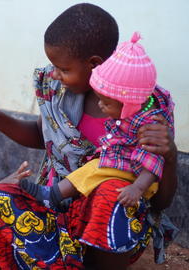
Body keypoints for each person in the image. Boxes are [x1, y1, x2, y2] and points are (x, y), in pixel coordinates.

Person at [0, 3, 178, 270]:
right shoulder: (58, 90)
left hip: (111, 230)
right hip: (55, 210)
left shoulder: (145, 106)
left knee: (110, 191)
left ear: (94, 64)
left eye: (63, 68)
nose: (55, 73)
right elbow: (42, 135)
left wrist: (170, 155)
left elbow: (161, 200)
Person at [19, 32, 174, 210]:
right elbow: (41, 135)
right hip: (114, 171)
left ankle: (53, 196)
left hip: (134, 184)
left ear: (128, 104)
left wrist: (137, 188)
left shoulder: (151, 125)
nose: (101, 105)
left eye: (106, 102)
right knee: (93, 168)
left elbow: (153, 165)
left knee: (96, 173)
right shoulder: (60, 97)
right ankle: (53, 195)